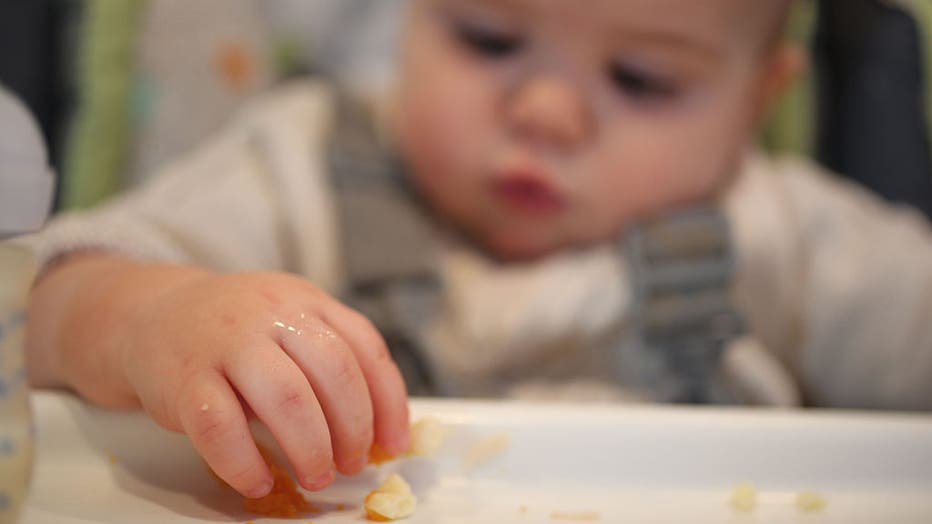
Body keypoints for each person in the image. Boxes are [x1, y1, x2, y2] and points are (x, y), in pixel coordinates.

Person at [18, 0, 932, 502]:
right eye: (488, 39)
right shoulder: (307, 165)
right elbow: (39, 297)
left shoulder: (779, 229)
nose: (545, 112)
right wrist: (151, 317)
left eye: (641, 80)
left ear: (755, 102)